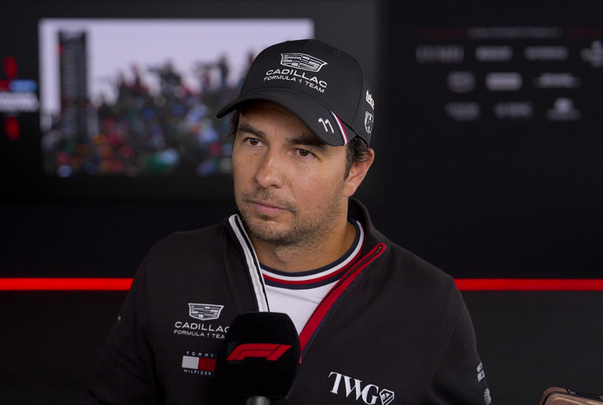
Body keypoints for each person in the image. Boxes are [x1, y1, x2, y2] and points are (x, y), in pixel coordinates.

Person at [79, 39, 491, 405]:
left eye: (303, 152)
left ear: (355, 170)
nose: (265, 175)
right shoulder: (171, 266)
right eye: (253, 141)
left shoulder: (429, 304)